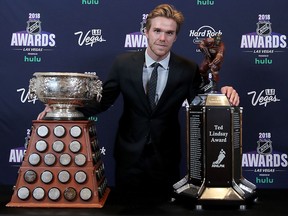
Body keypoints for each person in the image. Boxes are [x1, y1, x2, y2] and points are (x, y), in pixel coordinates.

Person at [37, 4, 239, 204]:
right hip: (129, 157)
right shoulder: (123, 64)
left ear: (175, 37)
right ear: (146, 32)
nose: (162, 38)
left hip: (167, 159)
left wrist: (223, 94)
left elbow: (200, 103)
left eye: (169, 33)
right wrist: (62, 109)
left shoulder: (187, 68)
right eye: (157, 31)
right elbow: (102, 103)